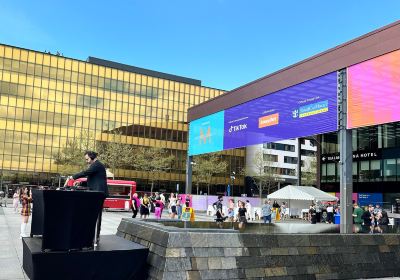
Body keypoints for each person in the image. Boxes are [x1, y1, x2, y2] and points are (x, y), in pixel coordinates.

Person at [69, 151, 108, 246]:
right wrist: (81, 183)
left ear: (92, 157)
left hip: (99, 194)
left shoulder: (97, 165)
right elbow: (93, 180)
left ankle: (95, 237)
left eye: (87, 159)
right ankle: (92, 236)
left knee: (97, 216)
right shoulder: (95, 166)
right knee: (92, 215)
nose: (86, 161)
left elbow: (86, 173)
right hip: (96, 193)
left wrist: (73, 177)